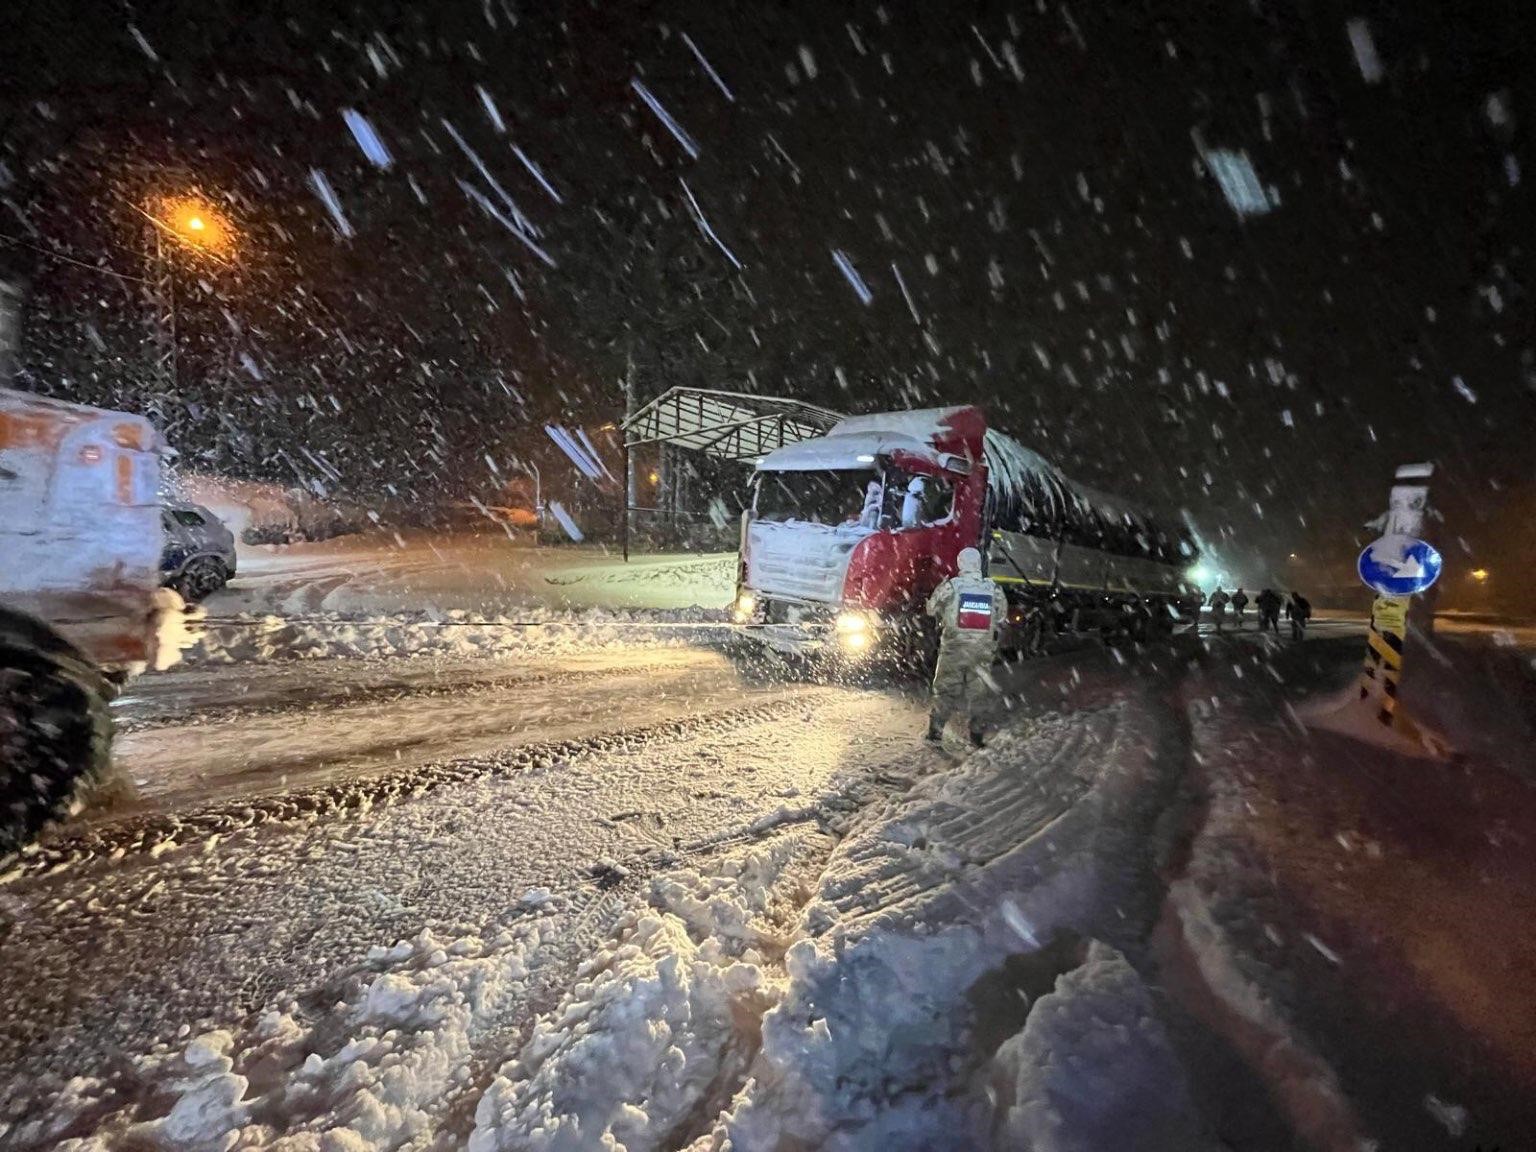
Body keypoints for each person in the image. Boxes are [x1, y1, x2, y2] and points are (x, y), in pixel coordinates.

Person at [925, 547, 1006, 747]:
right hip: (982, 650)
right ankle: (976, 737)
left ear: (961, 564)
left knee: (946, 690)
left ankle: (935, 733)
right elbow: (1002, 614)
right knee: (979, 693)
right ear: (978, 564)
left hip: (954, 648)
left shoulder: (952, 587)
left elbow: (930, 609)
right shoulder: (993, 588)